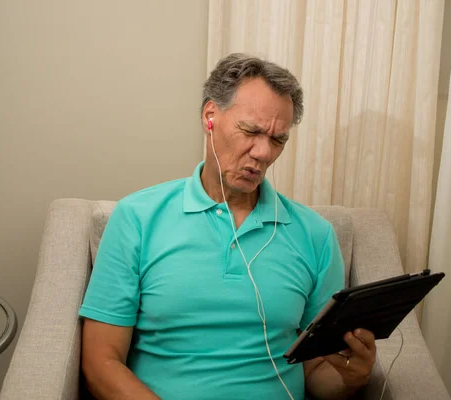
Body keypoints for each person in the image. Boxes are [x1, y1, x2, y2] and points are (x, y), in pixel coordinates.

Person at [79, 53, 376, 400]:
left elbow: (316, 374)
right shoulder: (138, 218)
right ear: (210, 117)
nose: (263, 152)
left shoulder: (315, 235)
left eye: (278, 140)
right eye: (251, 131)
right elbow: (101, 362)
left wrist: (351, 377)